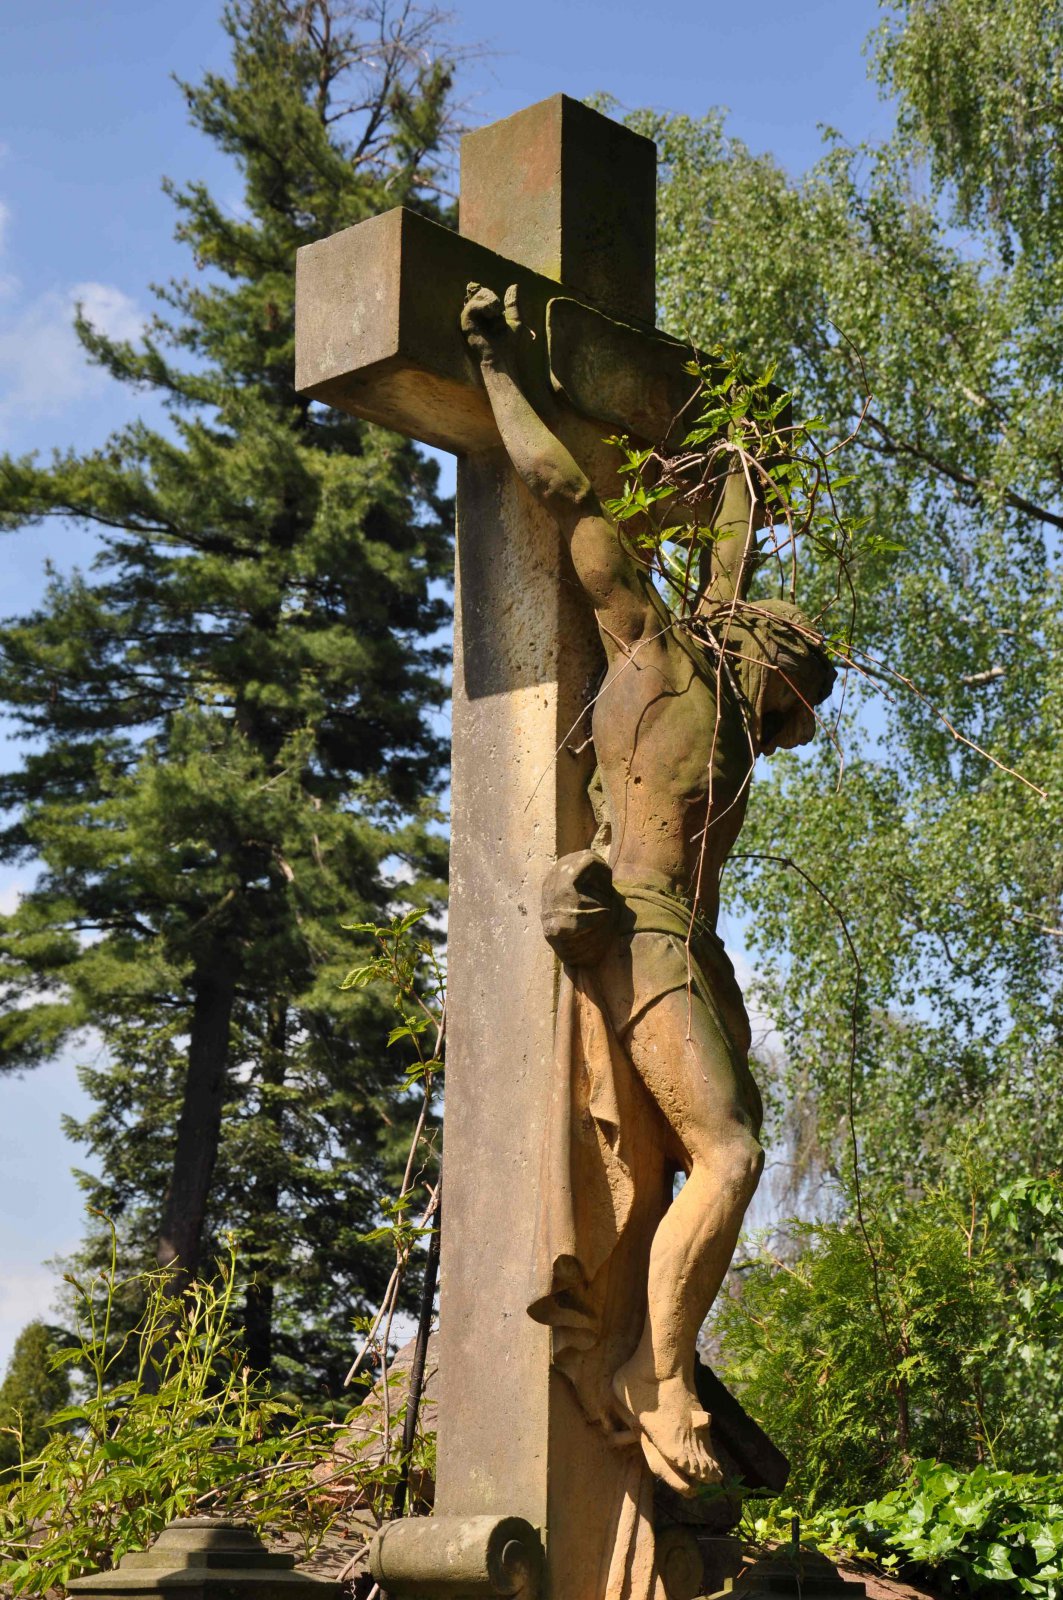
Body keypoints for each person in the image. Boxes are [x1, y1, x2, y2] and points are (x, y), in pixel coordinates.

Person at [461, 282, 836, 1496]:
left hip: (692, 950)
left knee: (718, 1161)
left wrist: (743, 450)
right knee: (729, 1155)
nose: (791, 720)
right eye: (796, 687)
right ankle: (655, 1379)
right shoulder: (656, 652)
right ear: (761, 651)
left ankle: (655, 1357)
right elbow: (566, 493)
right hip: (644, 935)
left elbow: (732, 540)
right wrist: (497, 370)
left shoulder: (726, 701)